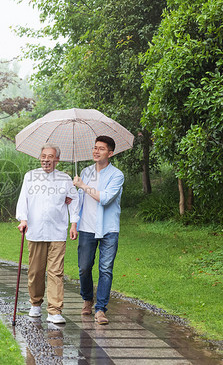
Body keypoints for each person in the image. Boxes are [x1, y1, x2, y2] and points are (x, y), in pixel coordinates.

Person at [16, 143, 79, 324]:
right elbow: (23, 200)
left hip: (57, 231)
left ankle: (54, 310)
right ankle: (35, 303)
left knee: (55, 272)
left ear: (57, 160)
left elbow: (74, 200)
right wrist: (23, 219)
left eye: (50, 156)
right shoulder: (30, 177)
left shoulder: (65, 179)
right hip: (35, 231)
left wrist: (74, 223)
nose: (46, 159)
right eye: (43, 156)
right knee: (35, 271)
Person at [73, 135, 124, 325]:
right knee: (84, 268)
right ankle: (87, 299)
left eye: (101, 149)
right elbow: (78, 199)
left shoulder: (117, 175)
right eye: (95, 147)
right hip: (86, 227)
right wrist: (74, 223)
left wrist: (83, 186)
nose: (96, 151)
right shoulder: (85, 172)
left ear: (110, 153)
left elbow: (105, 198)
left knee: (105, 269)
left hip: (109, 228)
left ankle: (101, 309)